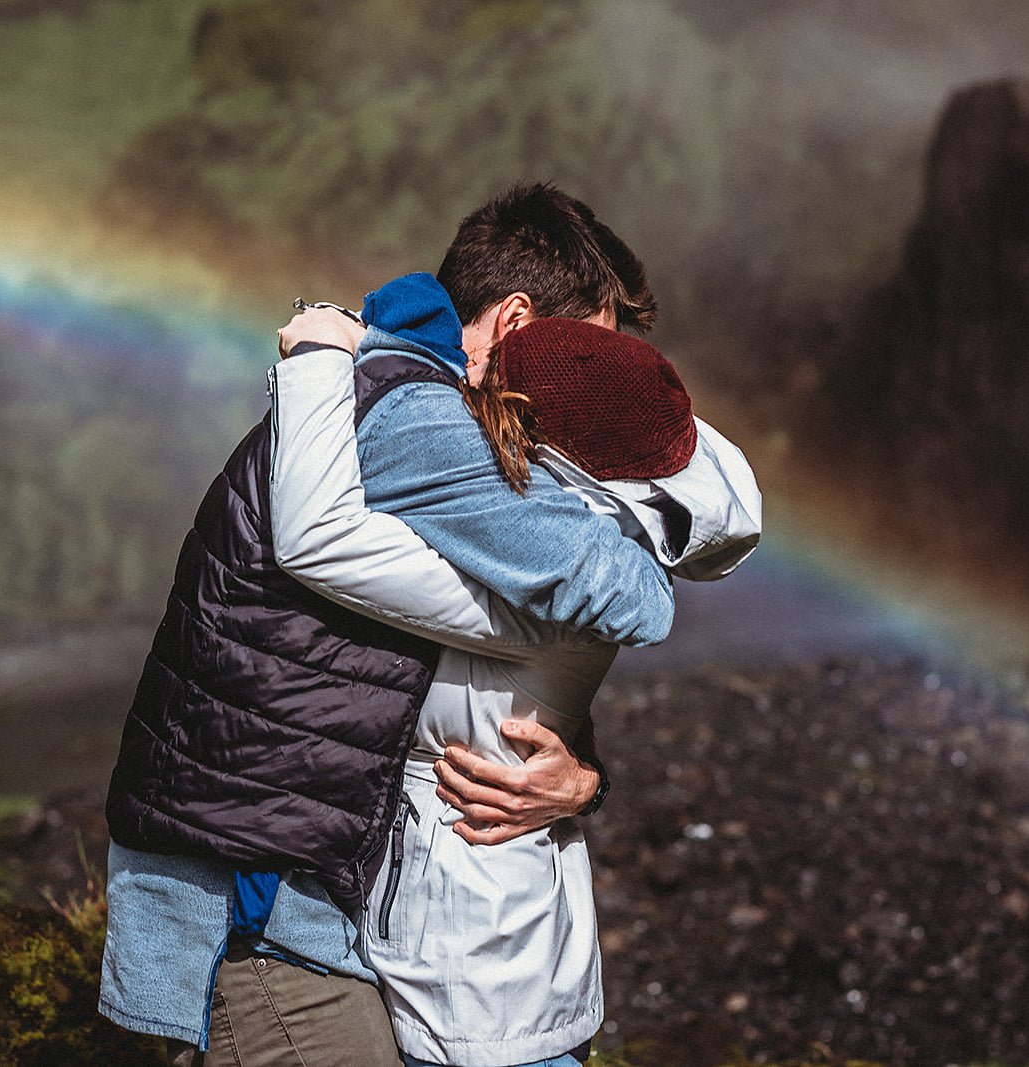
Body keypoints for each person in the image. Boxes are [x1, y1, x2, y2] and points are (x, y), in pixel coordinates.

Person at [100, 185, 677, 1065]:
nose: (594, 391)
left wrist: (583, 778)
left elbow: (476, 662)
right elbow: (619, 598)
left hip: (327, 900)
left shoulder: (410, 399)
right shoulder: (410, 415)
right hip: (260, 904)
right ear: (518, 318)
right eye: (590, 353)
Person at [266, 313, 761, 1066]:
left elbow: (319, 537)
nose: (469, 396)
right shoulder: (615, 536)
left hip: (469, 967)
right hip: (537, 951)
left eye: (491, 395)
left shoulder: (540, 583)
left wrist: (321, 355)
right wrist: (588, 780)